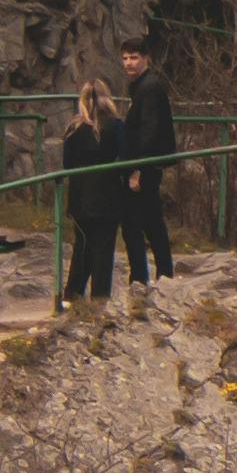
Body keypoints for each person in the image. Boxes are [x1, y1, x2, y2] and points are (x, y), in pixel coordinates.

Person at [105, 38, 180, 303]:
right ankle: (163, 275)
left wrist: (137, 168)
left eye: (134, 58)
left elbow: (149, 130)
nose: (128, 63)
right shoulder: (143, 86)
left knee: (135, 223)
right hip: (146, 162)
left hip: (143, 164)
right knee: (150, 220)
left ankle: (141, 278)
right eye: (125, 58)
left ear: (146, 58)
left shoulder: (149, 87)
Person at [56, 82, 119, 307]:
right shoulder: (115, 127)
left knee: (82, 246)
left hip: (80, 199)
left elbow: (67, 163)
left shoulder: (74, 130)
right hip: (108, 197)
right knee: (103, 249)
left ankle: (72, 294)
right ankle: (100, 298)